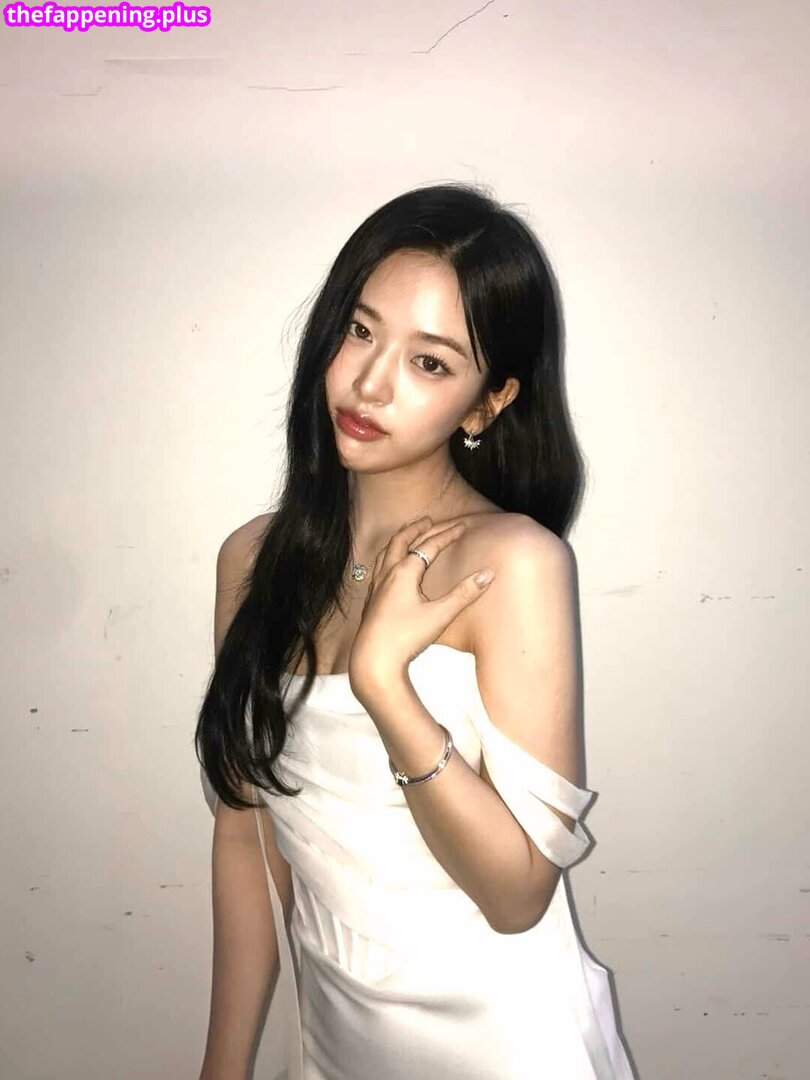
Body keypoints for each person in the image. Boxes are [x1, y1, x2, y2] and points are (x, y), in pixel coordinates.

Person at [195, 182, 636, 1080]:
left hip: (501, 1046)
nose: (369, 383)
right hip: (333, 1041)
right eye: (360, 331)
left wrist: (385, 685)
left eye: (430, 363)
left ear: (487, 402)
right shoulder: (250, 559)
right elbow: (246, 836)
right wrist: (221, 1068)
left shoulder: (511, 564)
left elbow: (517, 897)